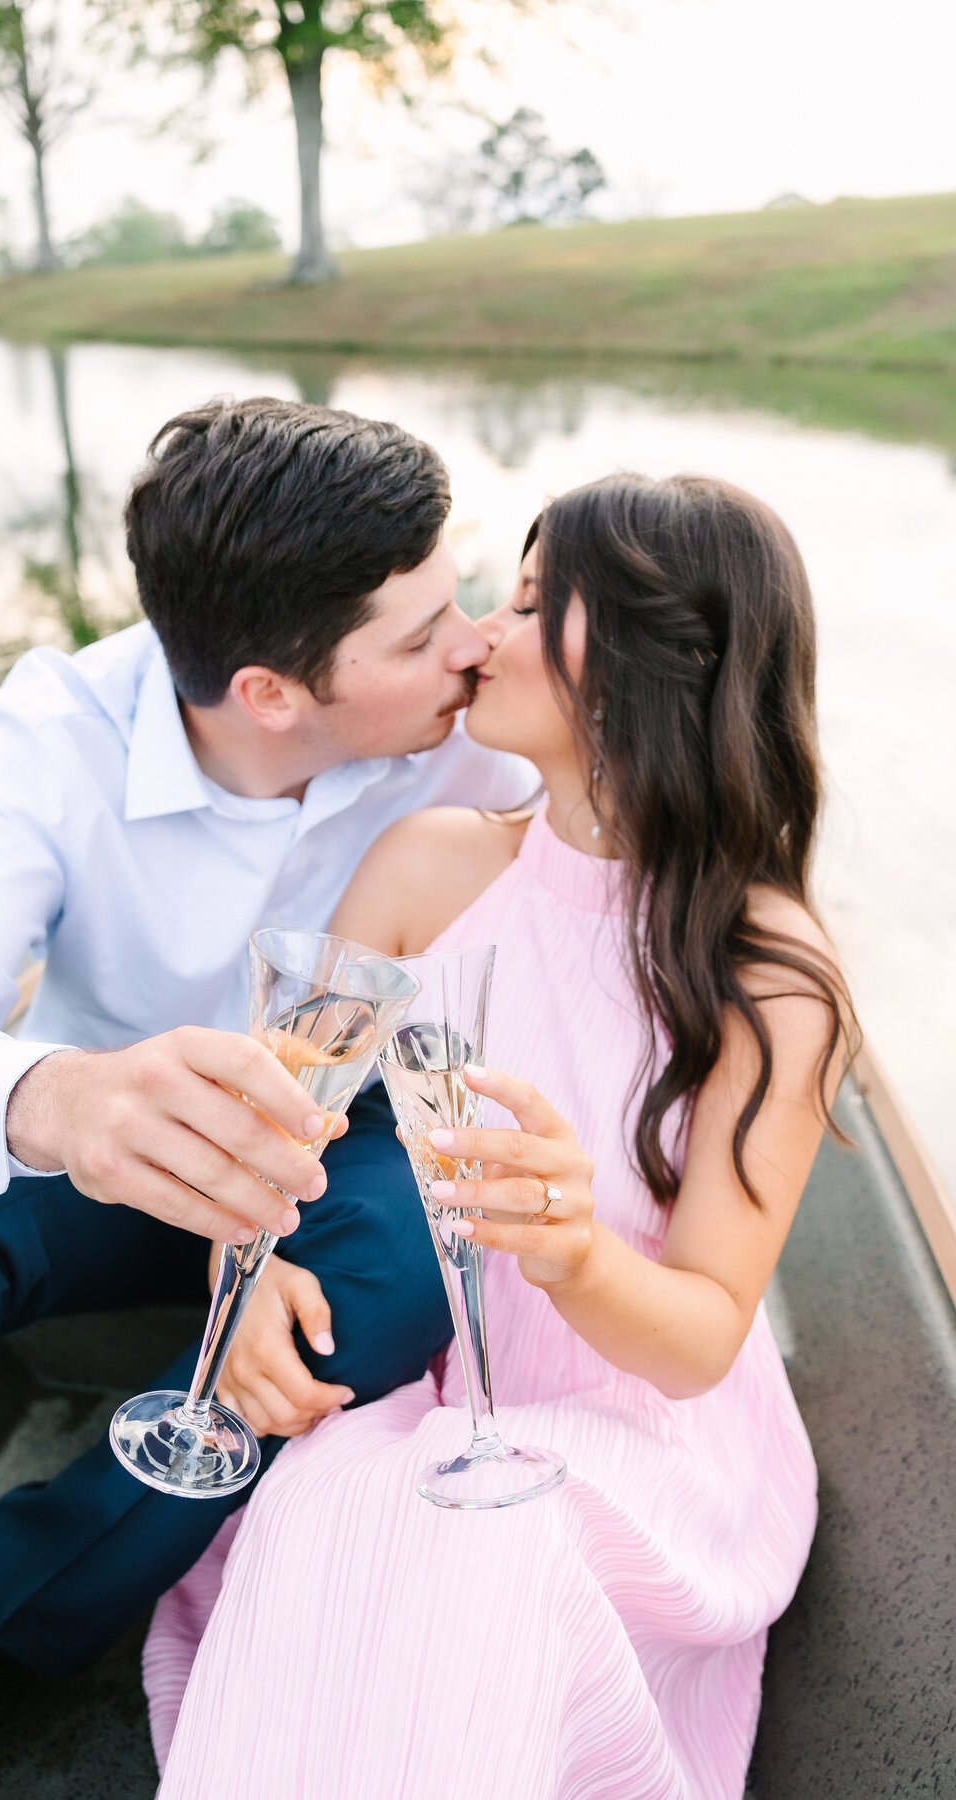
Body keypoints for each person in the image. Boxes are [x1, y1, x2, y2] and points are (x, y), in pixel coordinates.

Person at [0, 397, 536, 1800]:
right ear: (270, 694)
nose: (471, 642)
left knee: (422, 1252)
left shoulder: (485, 727)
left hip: (341, 1153)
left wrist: (275, 1240)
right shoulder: (47, 737)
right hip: (102, 1148)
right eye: (421, 633)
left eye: (461, 599)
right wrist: (61, 1102)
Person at [142, 472, 855, 1800]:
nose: (479, 636)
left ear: (648, 661)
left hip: (649, 1432)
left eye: (530, 602)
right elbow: (272, 1121)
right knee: (325, 1513)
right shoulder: (428, 865)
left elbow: (702, 1335)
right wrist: (235, 1281)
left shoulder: (771, 976)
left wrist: (575, 1251)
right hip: (441, 1384)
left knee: (492, 1552)